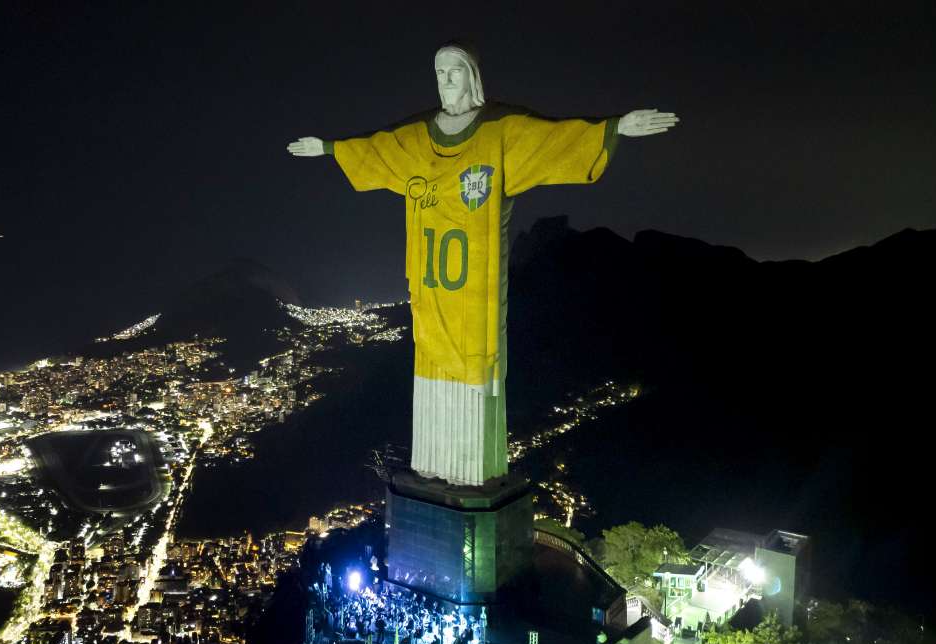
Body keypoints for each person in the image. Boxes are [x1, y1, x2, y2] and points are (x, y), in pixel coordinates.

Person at [288, 42, 677, 486]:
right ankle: (433, 470)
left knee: (478, 367)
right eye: (438, 72)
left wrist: (615, 128)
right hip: (432, 285)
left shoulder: (500, 131)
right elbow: (377, 150)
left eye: (454, 71)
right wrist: (328, 148)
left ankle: (473, 475)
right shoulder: (418, 138)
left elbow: (554, 139)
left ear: (471, 76)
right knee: (429, 361)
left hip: (475, 287)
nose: (445, 80)